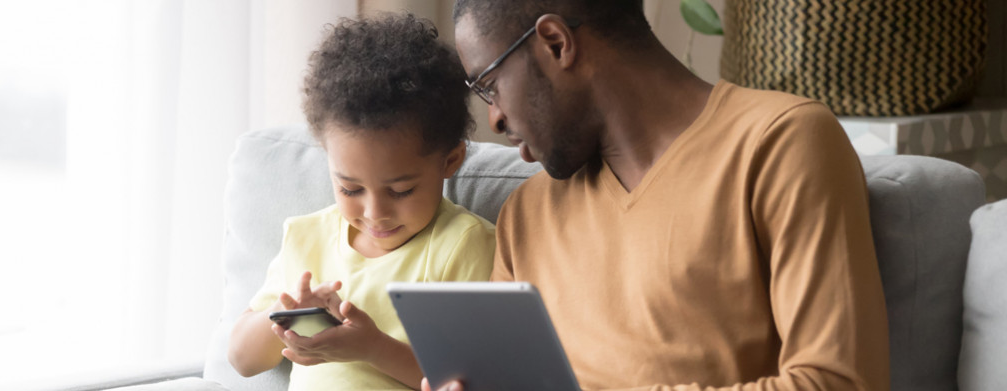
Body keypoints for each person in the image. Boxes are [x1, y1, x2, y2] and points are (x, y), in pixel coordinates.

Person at [425, 0, 891, 390]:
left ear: (555, 43)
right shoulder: (525, 215)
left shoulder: (778, 143)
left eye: (489, 86)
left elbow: (838, 381)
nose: (495, 119)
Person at [226, 13, 496, 391]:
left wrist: (372, 348)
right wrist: (288, 317)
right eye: (350, 189)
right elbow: (241, 359)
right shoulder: (307, 237)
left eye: (401, 191)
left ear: (450, 160)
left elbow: (473, 380)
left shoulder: (463, 244)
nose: (374, 213)